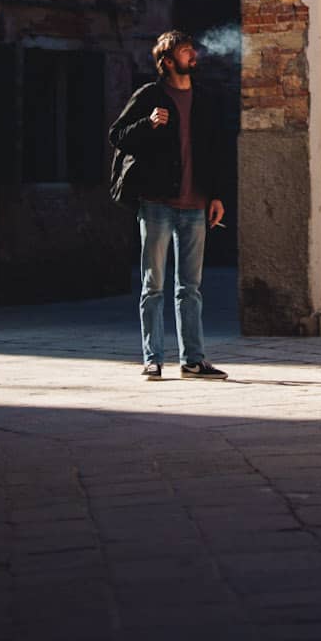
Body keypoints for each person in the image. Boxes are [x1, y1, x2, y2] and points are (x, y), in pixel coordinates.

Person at [108, 30, 228, 380]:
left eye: (192, 48)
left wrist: (216, 195)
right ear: (168, 60)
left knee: (190, 288)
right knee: (154, 285)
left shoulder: (204, 99)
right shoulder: (150, 95)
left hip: (195, 204)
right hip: (157, 204)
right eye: (185, 50)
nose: (193, 54)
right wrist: (148, 124)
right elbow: (117, 135)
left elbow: (214, 152)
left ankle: (193, 360)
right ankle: (152, 359)